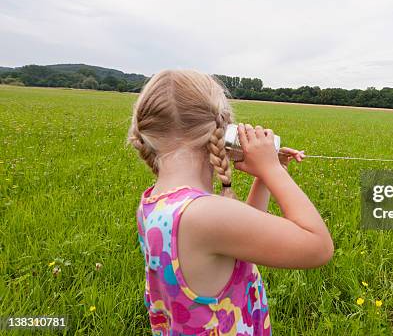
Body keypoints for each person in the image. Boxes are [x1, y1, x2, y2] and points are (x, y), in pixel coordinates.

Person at [127, 69, 334, 335]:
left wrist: (267, 175)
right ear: (223, 132)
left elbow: (238, 238)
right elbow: (318, 247)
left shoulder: (155, 204)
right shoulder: (204, 214)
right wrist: (273, 171)